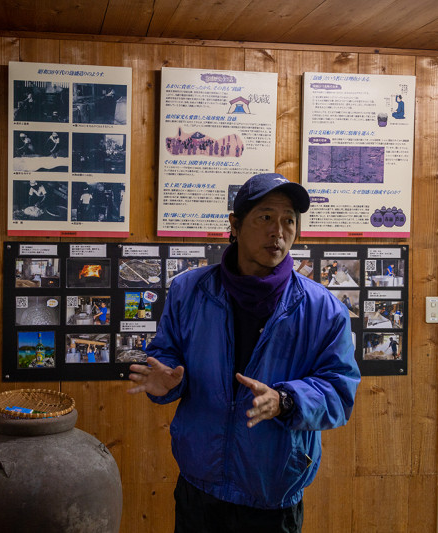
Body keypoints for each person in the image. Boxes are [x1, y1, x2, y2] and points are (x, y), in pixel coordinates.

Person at [127, 172, 360, 532]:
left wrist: (286, 400)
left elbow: (340, 392)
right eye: (265, 217)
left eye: (288, 221)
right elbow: (167, 355)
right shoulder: (189, 290)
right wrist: (168, 381)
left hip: (272, 492)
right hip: (199, 485)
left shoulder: (324, 310)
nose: (278, 231)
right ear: (235, 225)